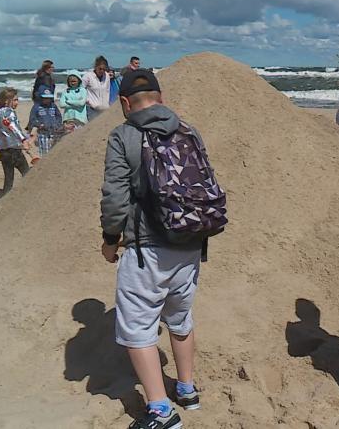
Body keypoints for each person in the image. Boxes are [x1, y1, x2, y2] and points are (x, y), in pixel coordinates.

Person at [100, 69, 210, 429]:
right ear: (161, 99)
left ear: (125, 103)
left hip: (147, 248)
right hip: (192, 243)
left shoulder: (124, 135)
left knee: (138, 328)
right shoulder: (189, 130)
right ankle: (187, 389)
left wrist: (110, 239)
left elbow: (115, 198)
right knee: (180, 318)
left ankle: (161, 412)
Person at [0, 89, 30, 199]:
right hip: (13, 149)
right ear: (6, 101)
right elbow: (14, 127)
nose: (17, 103)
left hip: (2, 150)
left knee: (9, 178)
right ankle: (30, 197)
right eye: (14, 100)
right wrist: (24, 140)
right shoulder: (9, 112)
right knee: (28, 174)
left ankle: (5, 199)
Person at [27, 86, 63, 157]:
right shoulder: (36, 107)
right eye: (45, 98)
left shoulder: (53, 106)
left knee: (54, 149)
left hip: (54, 132)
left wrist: (58, 124)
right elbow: (32, 119)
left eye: (49, 98)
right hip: (43, 133)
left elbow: (58, 116)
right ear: (40, 98)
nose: (47, 100)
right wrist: (39, 124)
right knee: (45, 152)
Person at [83, 56, 111, 121]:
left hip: (104, 108)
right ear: (96, 67)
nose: (102, 71)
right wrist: (88, 101)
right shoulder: (88, 76)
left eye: (104, 69)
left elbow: (107, 91)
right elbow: (81, 89)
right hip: (92, 108)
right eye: (100, 69)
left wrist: (107, 104)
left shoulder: (107, 76)